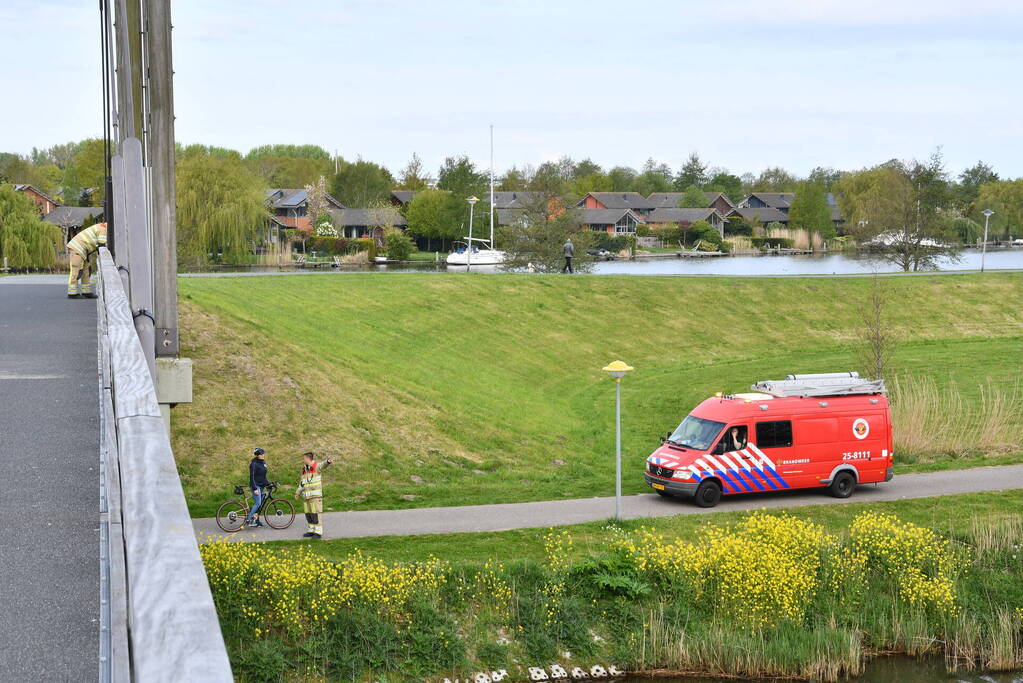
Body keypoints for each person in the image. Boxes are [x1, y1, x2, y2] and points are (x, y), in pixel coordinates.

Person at [295, 452, 334, 539]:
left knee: (316, 514)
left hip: (315, 496)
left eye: (304, 458)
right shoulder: (304, 469)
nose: (303, 460)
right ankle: (311, 530)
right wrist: (298, 492)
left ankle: (318, 532)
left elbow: (323, 465)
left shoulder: (316, 466)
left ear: (308, 459)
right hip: (307, 497)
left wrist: (327, 462)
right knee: (309, 514)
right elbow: (302, 483)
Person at [66, 222, 108, 298]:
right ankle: (72, 293)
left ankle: (86, 292)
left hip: (83, 250)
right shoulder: (103, 230)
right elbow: (102, 246)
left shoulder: (100, 227)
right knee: (76, 271)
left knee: (86, 271)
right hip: (77, 249)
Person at [244, 447, 269, 528]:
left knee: (260, 504)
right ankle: (248, 520)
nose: (263, 455)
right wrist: (254, 488)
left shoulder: (263, 463)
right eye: (261, 454)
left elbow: (263, 476)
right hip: (256, 485)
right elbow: (252, 477)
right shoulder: (254, 464)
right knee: (258, 503)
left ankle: (256, 521)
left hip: (261, 486)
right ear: (257, 455)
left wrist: (269, 484)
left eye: (263, 453)